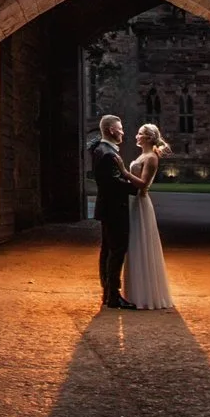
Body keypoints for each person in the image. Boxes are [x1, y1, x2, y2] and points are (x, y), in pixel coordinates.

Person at [122, 122, 175, 310]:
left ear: (148, 137)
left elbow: (143, 184)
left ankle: (145, 294)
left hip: (140, 202)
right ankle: (135, 292)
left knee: (141, 243)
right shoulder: (143, 155)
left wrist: (124, 172)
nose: (136, 136)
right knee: (134, 244)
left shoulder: (151, 157)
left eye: (140, 133)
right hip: (134, 202)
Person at [88, 113, 138, 308]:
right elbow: (112, 183)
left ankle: (108, 292)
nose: (123, 132)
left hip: (108, 207)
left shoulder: (103, 149)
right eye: (120, 128)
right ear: (111, 130)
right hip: (114, 208)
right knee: (117, 250)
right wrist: (135, 187)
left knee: (108, 250)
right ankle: (113, 296)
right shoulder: (107, 153)